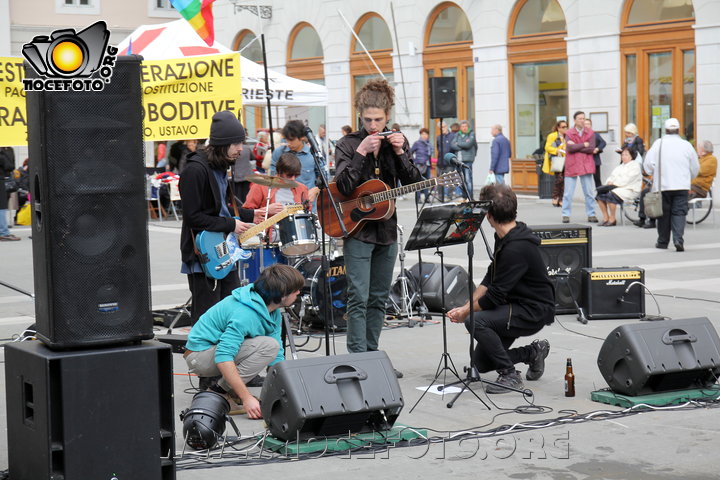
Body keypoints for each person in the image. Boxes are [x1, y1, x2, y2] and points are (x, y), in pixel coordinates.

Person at [333, 78, 423, 368]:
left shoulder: (395, 142)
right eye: (368, 119)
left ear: (388, 117)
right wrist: (361, 152)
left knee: (379, 296)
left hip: (386, 229)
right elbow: (344, 186)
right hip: (358, 230)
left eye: (379, 120)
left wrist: (400, 152)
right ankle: (358, 360)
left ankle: (372, 356)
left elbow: (413, 182)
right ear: (360, 115)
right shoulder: (347, 145)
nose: (373, 126)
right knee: (358, 296)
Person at [448, 184, 554, 393]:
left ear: (488, 215)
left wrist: (465, 312)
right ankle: (533, 352)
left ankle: (510, 375)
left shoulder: (517, 247)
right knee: (481, 364)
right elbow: (491, 275)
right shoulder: (506, 235)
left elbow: (493, 298)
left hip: (532, 310)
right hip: (514, 305)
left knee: (475, 321)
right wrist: (467, 304)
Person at [179, 111, 268, 324]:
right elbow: (193, 217)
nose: (241, 148)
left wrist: (250, 214)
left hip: (224, 252)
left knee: (231, 313)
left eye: (242, 143)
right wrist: (231, 224)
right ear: (222, 144)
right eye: (236, 143)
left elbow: (222, 208)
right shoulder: (195, 171)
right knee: (208, 320)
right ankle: (203, 357)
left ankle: (225, 357)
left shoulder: (220, 168)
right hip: (203, 255)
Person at [184, 264, 305, 419]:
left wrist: (289, 391)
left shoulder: (272, 310)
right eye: (295, 290)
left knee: (271, 347)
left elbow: (277, 357)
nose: (299, 293)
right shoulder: (245, 314)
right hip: (199, 356)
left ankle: (231, 390)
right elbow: (223, 357)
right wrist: (247, 398)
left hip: (212, 351)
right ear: (283, 294)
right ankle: (218, 392)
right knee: (268, 346)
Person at [643, 118, 699, 252]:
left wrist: (654, 172)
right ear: (679, 130)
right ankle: (678, 239)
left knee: (663, 214)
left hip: (663, 186)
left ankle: (662, 242)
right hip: (682, 185)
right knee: (679, 212)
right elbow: (695, 167)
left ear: (665, 130)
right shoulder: (686, 145)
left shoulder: (658, 144)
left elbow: (648, 166)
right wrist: (688, 178)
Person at [269, 120, 321, 204]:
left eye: (291, 140)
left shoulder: (313, 155)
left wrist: (316, 189)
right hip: (283, 204)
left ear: (301, 138)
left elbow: (324, 177)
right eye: (286, 140)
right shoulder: (278, 153)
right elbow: (271, 176)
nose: (288, 143)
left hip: (307, 205)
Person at [562, 111, 598, 223]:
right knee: (568, 193)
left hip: (586, 164)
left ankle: (591, 214)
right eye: (580, 118)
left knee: (589, 192)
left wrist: (577, 146)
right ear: (574, 120)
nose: (582, 120)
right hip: (572, 164)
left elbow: (591, 148)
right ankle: (565, 215)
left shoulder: (590, 133)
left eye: (583, 118)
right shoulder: (569, 133)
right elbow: (569, 149)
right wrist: (583, 145)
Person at [595, 147, 643, 226]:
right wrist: (609, 182)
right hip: (618, 187)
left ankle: (612, 218)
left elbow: (627, 180)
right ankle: (605, 217)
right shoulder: (620, 166)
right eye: (622, 155)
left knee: (611, 195)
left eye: (626, 155)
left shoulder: (635, 166)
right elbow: (611, 176)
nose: (623, 157)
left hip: (630, 189)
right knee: (599, 194)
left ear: (632, 156)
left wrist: (614, 184)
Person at [542, 120, 568, 207]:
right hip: (557, 159)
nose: (565, 128)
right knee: (559, 179)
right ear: (558, 128)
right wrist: (557, 150)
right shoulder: (552, 136)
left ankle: (561, 198)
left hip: (566, 159)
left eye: (566, 126)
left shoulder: (567, 136)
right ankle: (555, 196)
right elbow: (547, 147)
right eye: (563, 127)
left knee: (564, 180)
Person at [453, 120, 477, 197]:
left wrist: (458, 144)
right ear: (460, 128)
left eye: (466, 126)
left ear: (468, 127)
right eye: (462, 126)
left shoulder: (471, 134)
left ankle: (470, 197)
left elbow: (468, 145)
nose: (464, 128)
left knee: (468, 179)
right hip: (459, 161)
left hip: (468, 161)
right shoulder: (457, 134)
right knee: (461, 180)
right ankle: (464, 197)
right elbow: (452, 145)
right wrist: (463, 144)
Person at [0, 146, 20, 241]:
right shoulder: (3, 153)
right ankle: (3, 232)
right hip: (1, 181)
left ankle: (3, 231)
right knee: (2, 207)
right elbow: (10, 166)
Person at [410, 127, 433, 202]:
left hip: (427, 165)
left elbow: (430, 155)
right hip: (419, 165)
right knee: (418, 182)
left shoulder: (429, 144)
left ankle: (427, 198)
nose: (424, 135)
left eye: (425, 134)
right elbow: (410, 153)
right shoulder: (417, 143)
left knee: (427, 182)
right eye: (422, 134)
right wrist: (414, 162)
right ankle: (418, 198)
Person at [436, 122, 458, 199]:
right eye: (441, 127)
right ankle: (440, 196)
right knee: (440, 180)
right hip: (440, 162)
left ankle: (450, 195)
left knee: (451, 180)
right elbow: (438, 148)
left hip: (449, 163)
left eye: (444, 126)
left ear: (446, 126)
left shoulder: (453, 136)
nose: (443, 128)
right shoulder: (438, 137)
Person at [585, 118, 607, 187]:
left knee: (597, 179)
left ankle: (599, 196)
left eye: (588, 124)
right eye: (585, 124)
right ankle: (589, 196)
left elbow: (603, 142)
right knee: (586, 180)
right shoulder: (581, 135)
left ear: (591, 125)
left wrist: (597, 149)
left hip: (595, 160)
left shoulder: (595, 134)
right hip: (585, 160)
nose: (586, 125)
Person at [232, 138, 254, 204]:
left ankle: (239, 209)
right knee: (246, 193)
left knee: (237, 195)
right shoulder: (247, 148)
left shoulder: (233, 148)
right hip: (247, 174)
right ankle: (246, 207)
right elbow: (252, 158)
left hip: (236, 174)